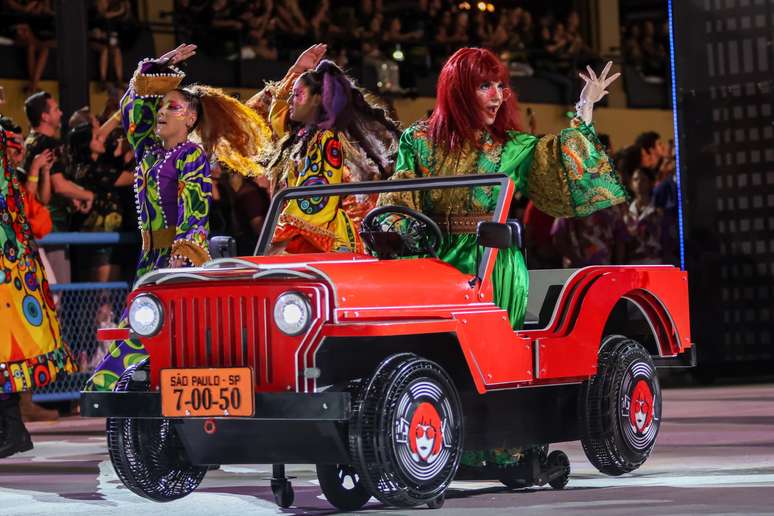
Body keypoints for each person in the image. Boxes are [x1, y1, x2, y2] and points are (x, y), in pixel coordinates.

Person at [378, 47, 626, 468]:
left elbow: (562, 162)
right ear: (458, 90)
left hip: (493, 262)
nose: (497, 96)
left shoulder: (511, 146)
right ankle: (439, 443)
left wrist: (585, 107)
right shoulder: (418, 139)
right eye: (484, 86)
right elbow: (401, 197)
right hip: (434, 262)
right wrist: (393, 235)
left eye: (500, 86)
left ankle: (499, 448)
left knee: (490, 358)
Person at [86, 43, 272, 392]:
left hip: (177, 259)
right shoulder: (147, 150)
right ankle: (140, 398)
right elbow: (131, 108)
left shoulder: (192, 156)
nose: (162, 111)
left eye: (173, 107)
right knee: (150, 332)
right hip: (149, 259)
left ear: (190, 118)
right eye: (161, 106)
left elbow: (195, 211)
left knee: (155, 334)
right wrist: (154, 68)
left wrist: (183, 255)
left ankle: (109, 389)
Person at [248, 44, 401, 254]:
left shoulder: (325, 140)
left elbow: (309, 207)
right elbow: (263, 116)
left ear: (317, 99)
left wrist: (273, 249)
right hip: (309, 241)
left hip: (324, 246)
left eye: (297, 95)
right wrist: (296, 71)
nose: (291, 100)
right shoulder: (301, 136)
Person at [0, 126, 76, 458]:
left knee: (8, 347)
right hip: (12, 261)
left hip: (8, 265)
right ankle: (12, 428)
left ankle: (12, 428)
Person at [23, 91, 96, 285]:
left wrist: (73, 196)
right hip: (51, 228)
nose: (61, 113)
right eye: (56, 110)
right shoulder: (48, 144)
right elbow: (59, 185)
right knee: (58, 290)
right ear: (45, 117)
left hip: (32, 227)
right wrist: (88, 195)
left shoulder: (28, 141)